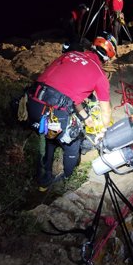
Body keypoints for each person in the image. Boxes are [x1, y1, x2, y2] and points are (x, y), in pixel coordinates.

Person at [25, 32, 117, 191]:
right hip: (53, 112)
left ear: (93, 46)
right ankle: (67, 179)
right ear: (107, 58)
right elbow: (105, 110)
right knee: (72, 143)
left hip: (30, 104)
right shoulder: (100, 74)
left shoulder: (70, 55)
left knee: (49, 136)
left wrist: (85, 117)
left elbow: (70, 94)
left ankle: (43, 181)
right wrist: (104, 129)